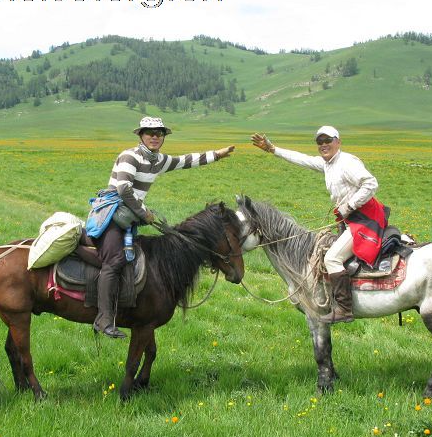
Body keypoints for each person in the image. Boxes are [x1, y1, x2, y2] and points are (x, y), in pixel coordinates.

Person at [89, 116, 235, 338]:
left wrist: (217, 155)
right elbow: (123, 190)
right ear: (141, 135)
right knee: (115, 260)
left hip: (127, 218)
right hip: (110, 217)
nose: (155, 137)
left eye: (160, 133)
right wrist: (144, 213)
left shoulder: (159, 161)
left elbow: (186, 160)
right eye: (150, 133)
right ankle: (104, 318)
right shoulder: (130, 156)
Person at [251, 126, 388, 323]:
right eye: (320, 142)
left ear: (338, 142)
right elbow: (302, 159)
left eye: (328, 140)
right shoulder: (328, 164)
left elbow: (371, 183)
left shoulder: (347, 162)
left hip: (366, 219)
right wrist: (272, 149)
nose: (324, 145)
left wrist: (349, 205)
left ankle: (344, 308)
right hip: (351, 219)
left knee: (332, 258)